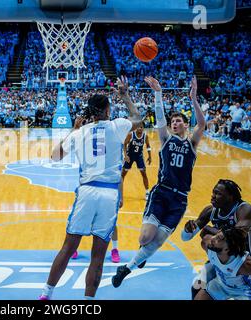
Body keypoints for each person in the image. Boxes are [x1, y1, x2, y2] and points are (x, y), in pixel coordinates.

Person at [39, 76, 142, 300]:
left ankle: (46, 293)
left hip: (87, 191)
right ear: (107, 110)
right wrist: (125, 95)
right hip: (109, 193)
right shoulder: (117, 126)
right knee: (98, 256)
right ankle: (88, 301)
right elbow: (138, 117)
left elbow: (54, 156)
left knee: (68, 247)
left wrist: (72, 130)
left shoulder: (80, 132)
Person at [112, 75, 206, 288]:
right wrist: (158, 93)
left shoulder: (192, 143)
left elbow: (201, 124)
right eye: (173, 121)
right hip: (162, 193)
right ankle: (141, 255)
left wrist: (194, 98)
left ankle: (126, 268)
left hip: (180, 199)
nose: (174, 123)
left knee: (159, 240)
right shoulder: (166, 139)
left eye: (178, 120)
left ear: (184, 124)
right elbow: (160, 118)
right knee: (146, 238)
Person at [181, 179, 251, 299]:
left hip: (247, 261)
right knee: (197, 285)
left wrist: (210, 230)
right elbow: (185, 238)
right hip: (221, 260)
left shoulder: (245, 210)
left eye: (218, 194)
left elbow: (236, 237)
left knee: (250, 292)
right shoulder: (210, 211)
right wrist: (187, 230)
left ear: (231, 197)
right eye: (213, 192)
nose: (213, 196)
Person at [110, 123, 152, 263]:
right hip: (130, 157)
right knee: (122, 175)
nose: (139, 129)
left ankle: (147, 192)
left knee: (144, 174)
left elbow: (148, 146)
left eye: (141, 127)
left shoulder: (145, 136)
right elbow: (124, 144)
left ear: (143, 128)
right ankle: (119, 190)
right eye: (138, 127)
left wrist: (150, 155)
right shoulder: (131, 135)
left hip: (139, 157)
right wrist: (125, 155)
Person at [195, 227, 251, 300]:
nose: (212, 238)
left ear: (226, 249)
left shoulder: (243, 265)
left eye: (218, 239)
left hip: (242, 291)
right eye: (216, 235)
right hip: (221, 284)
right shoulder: (207, 243)